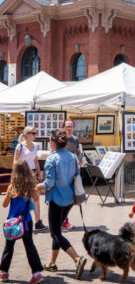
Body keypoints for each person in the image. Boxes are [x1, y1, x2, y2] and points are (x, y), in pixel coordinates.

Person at [36, 129, 87, 279]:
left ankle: (77, 259)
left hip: (57, 199)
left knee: (55, 233)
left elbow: (49, 182)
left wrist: (37, 186)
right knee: (57, 231)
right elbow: (76, 175)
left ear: (52, 142)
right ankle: (51, 262)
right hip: (70, 199)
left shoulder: (52, 159)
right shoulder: (72, 157)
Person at [0, 160, 43, 283]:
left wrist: (8, 195)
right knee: (29, 246)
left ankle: (4, 272)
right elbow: (36, 199)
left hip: (12, 222)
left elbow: (4, 205)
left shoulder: (11, 188)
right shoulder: (30, 188)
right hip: (26, 221)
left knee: (8, 247)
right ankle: (36, 273)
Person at [13, 126, 48, 232]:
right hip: (22, 174)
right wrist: (16, 175)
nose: (35, 135)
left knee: (36, 198)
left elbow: (35, 160)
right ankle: (21, 222)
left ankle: (38, 222)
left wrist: (39, 174)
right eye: (33, 133)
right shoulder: (20, 147)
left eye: (35, 133)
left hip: (33, 174)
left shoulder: (35, 146)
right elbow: (15, 162)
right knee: (23, 198)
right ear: (27, 134)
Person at [62, 118, 80, 230]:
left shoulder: (75, 139)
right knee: (63, 196)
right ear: (64, 127)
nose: (69, 128)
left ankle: (64, 219)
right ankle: (62, 220)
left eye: (71, 126)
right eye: (67, 126)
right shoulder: (61, 139)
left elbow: (78, 152)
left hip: (72, 171)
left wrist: (80, 159)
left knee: (70, 197)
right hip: (62, 171)